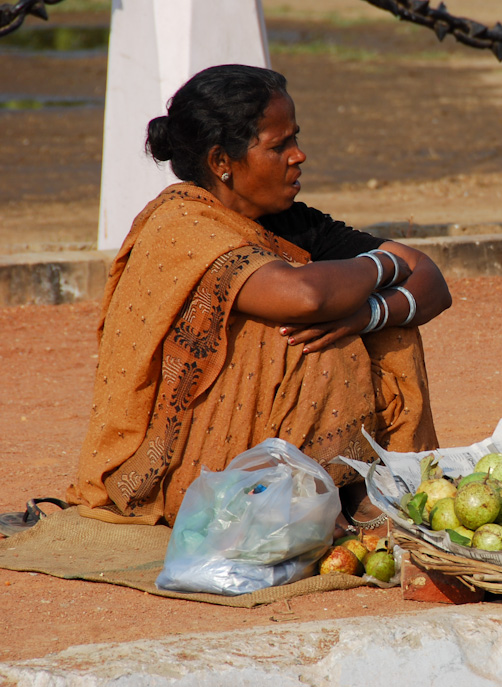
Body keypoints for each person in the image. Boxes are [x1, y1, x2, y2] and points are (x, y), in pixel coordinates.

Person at [67, 64, 451, 531]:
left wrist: (369, 312)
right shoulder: (182, 225)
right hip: (193, 464)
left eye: (295, 139)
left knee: (390, 322)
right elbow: (305, 297)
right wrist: (386, 266)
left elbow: (432, 282)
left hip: (271, 441)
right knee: (295, 328)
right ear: (221, 162)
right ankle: (292, 500)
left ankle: (357, 491)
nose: (299, 155)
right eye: (278, 146)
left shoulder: (291, 222)